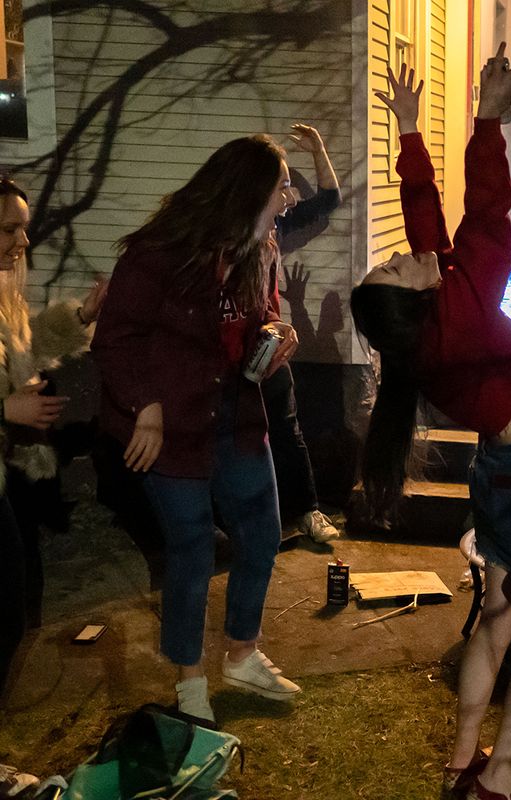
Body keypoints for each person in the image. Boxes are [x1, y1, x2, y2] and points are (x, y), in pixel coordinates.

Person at [351, 48, 511, 800]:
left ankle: (462, 761)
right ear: (412, 298)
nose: (394, 255)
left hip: (499, 472)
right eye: (390, 268)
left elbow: (428, 232)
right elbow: (485, 213)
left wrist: (413, 132)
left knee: (496, 613)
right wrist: (488, 116)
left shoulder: (429, 328)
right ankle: (502, 774)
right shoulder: (459, 310)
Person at [92, 135, 302, 725]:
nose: (290, 197)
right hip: (171, 424)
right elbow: (116, 338)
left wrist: (277, 335)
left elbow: (261, 317)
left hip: (236, 415)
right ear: (248, 192)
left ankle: (241, 653)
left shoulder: (261, 250)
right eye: (283, 184)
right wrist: (146, 407)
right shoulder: (160, 253)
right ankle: (189, 682)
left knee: (261, 534)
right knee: (191, 551)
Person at [0, 177, 106, 693]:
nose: (23, 241)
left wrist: (81, 316)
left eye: (23, 229)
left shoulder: (4, 295)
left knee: (19, 601)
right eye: (9, 229)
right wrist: (6, 407)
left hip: (13, 470)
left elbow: (23, 350)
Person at [267, 122, 342, 544]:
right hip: (226, 352)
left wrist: (318, 148)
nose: (292, 197)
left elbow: (329, 200)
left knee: (287, 426)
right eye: (283, 187)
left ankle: (306, 510)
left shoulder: (277, 228)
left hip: (270, 345)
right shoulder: (227, 236)